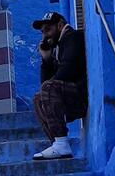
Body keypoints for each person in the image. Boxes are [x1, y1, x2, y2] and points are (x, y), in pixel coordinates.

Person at [32, 11, 87, 160]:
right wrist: (46, 60)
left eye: (48, 30)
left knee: (47, 89)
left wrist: (48, 88)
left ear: (60, 25)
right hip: (70, 98)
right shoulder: (58, 48)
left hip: (81, 98)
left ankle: (61, 143)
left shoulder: (72, 38)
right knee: (38, 99)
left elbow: (66, 73)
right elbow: (45, 86)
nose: (45, 36)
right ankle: (58, 144)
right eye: (43, 33)